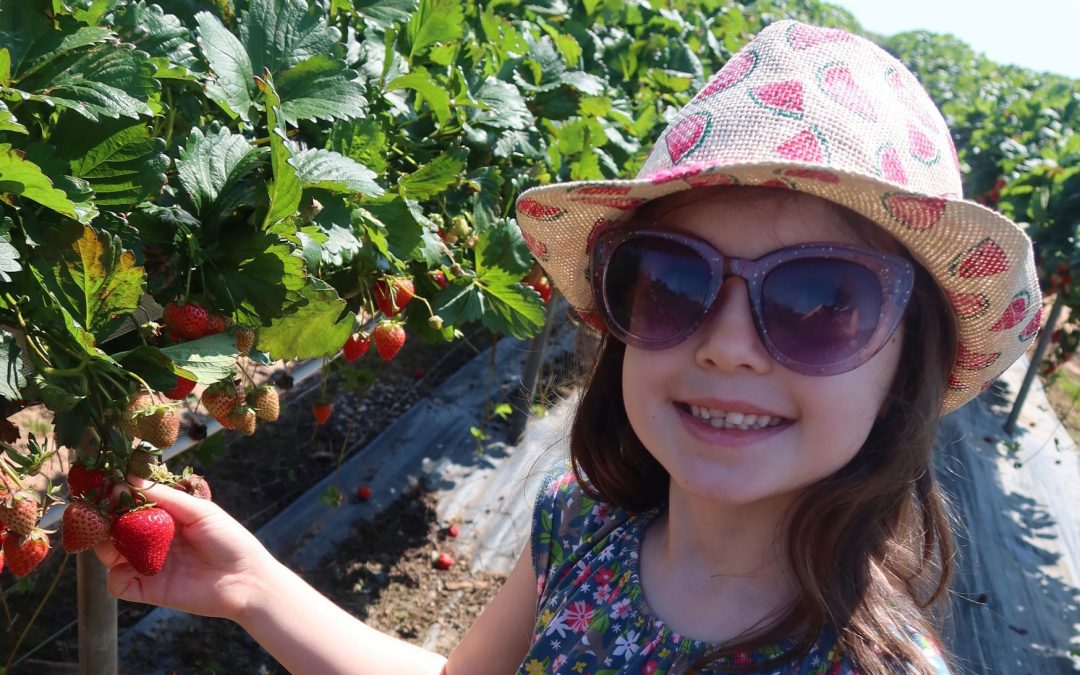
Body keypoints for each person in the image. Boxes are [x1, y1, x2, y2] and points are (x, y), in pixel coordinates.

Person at [95, 19, 1041, 674]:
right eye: (672, 282)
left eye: (821, 301)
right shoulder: (580, 525)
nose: (728, 348)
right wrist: (251, 585)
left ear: (904, 367)